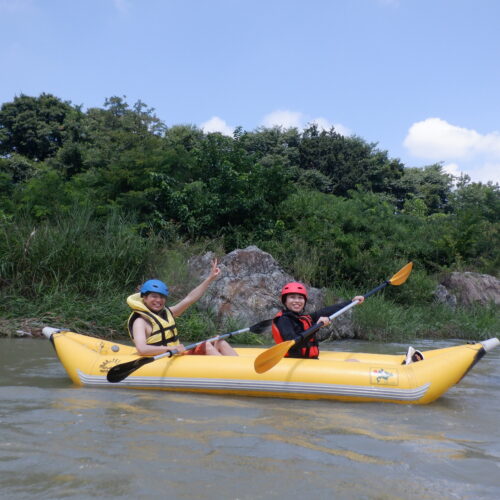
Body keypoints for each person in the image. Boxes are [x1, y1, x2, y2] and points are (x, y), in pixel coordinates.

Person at [127, 259, 237, 357]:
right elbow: (142, 349)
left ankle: (243, 371)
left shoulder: (168, 313)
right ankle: (233, 375)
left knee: (219, 341)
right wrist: (170, 348)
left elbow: (189, 299)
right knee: (207, 346)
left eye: (161, 297)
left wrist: (209, 279)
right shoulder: (140, 321)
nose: (158, 300)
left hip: (176, 356)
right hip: (161, 360)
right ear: (144, 298)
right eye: (154, 296)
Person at [272, 282, 365, 359]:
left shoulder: (301, 318)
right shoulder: (283, 320)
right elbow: (293, 344)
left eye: (300, 298)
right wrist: (317, 327)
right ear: (285, 300)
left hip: (306, 360)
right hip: (294, 361)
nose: (297, 301)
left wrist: (351, 302)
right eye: (292, 297)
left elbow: (326, 311)